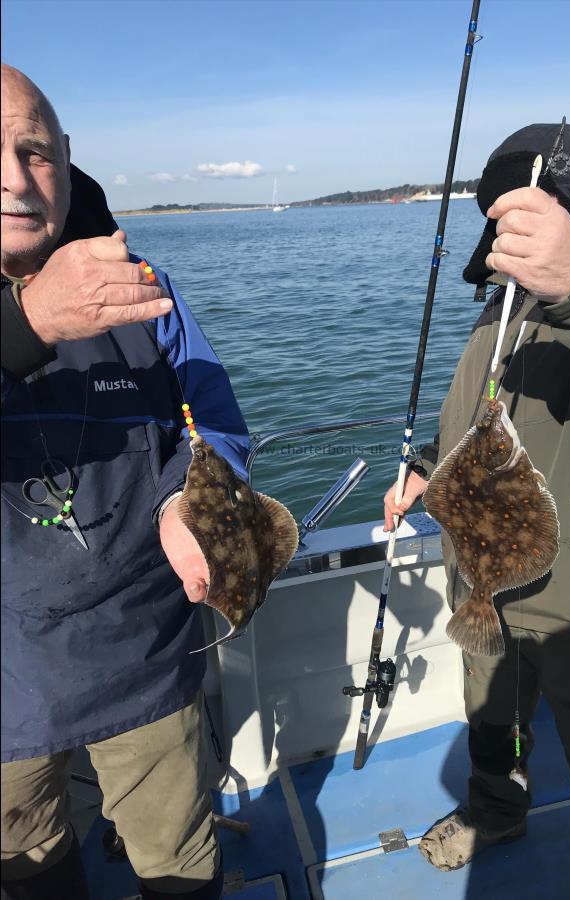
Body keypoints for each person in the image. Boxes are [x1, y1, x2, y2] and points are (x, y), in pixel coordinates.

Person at [384, 122, 570, 898]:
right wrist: (421, 471)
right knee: (491, 728)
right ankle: (493, 811)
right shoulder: (500, 304)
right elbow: (474, 417)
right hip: (484, 583)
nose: (504, 233)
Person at [1, 64, 250, 899]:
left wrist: (195, 500)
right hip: (5, 678)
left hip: (142, 649)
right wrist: (28, 324)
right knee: (28, 862)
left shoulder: (146, 288)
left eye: (34, 151)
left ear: (66, 162)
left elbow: (215, 419)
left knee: (179, 859)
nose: (14, 178)